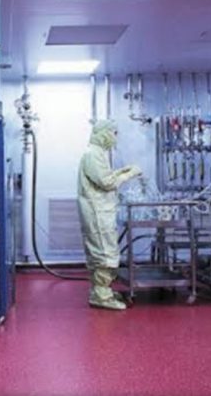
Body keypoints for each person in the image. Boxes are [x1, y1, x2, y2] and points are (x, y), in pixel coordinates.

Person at [77, 120, 141, 310]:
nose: (115, 137)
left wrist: (120, 171)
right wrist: (129, 175)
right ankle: (101, 296)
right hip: (97, 212)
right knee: (105, 252)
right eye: (113, 133)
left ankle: (100, 290)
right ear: (103, 133)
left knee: (100, 251)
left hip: (100, 211)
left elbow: (103, 176)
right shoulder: (93, 154)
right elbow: (106, 183)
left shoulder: (97, 153)